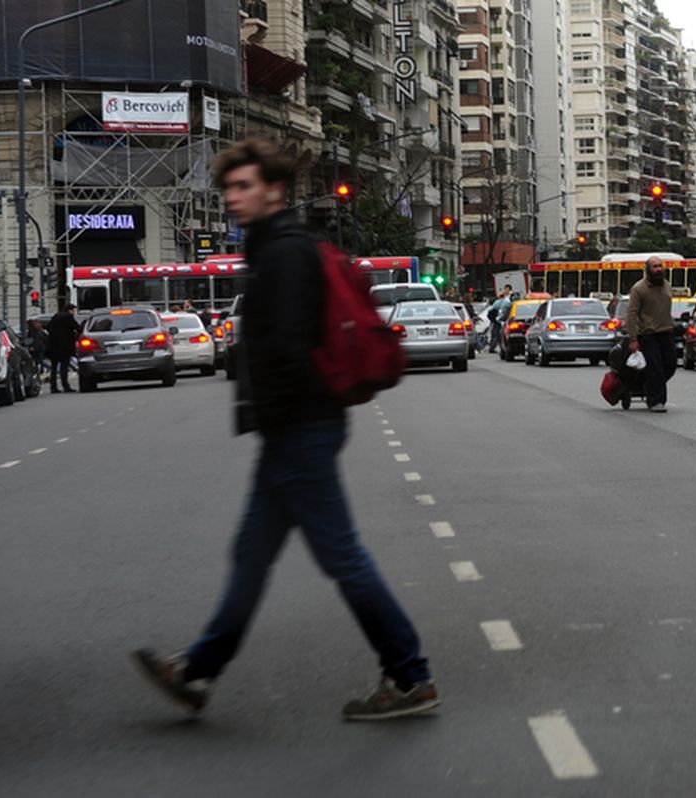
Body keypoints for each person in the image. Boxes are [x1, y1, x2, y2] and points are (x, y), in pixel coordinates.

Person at [131, 138, 437, 721]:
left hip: (302, 427)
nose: (233, 198)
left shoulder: (286, 252)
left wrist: (277, 413)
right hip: (292, 430)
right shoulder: (272, 247)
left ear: (274, 190)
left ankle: (410, 676)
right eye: (229, 188)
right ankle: (197, 670)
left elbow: (290, 348)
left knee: (342, 557)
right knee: (251, 553)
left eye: (244, 186)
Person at [625, 257, 675, 413]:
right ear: (648, 269)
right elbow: (632, 314)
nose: (658, 269)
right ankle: (656, 401)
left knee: (670, 365)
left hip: (666, 332)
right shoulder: (639, 289)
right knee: (655, 368)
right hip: (648, 335)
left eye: (660, 266)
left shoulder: (666, 285)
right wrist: (633, 338)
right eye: (655, 267)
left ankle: (650, 386)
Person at [45, 304, 80, 393]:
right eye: (74, 311)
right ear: (69, 310)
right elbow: (77, 327)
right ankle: (65, 386)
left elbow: (48, 327)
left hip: (53, 346)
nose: (74, 313)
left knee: (54, 367)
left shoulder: (56, 316)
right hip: (65, 346)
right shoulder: (68, 317)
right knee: (64, 366)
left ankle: (53, 387)